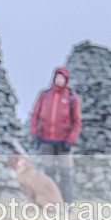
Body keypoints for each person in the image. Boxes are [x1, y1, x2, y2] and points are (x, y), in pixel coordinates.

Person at [29, 66, 82, 203]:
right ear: (54, 78)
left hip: (64, 143)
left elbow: (77, 122)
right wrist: (35, 134)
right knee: (48, 173)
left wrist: (70, 141)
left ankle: (68, 203)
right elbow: (35, 115)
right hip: (46, 141)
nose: (59, 80)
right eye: (57, 77)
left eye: (62, 78)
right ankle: (50, 202)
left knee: (66, 174)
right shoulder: (44, 95)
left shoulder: (71, 97)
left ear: (66, 79)